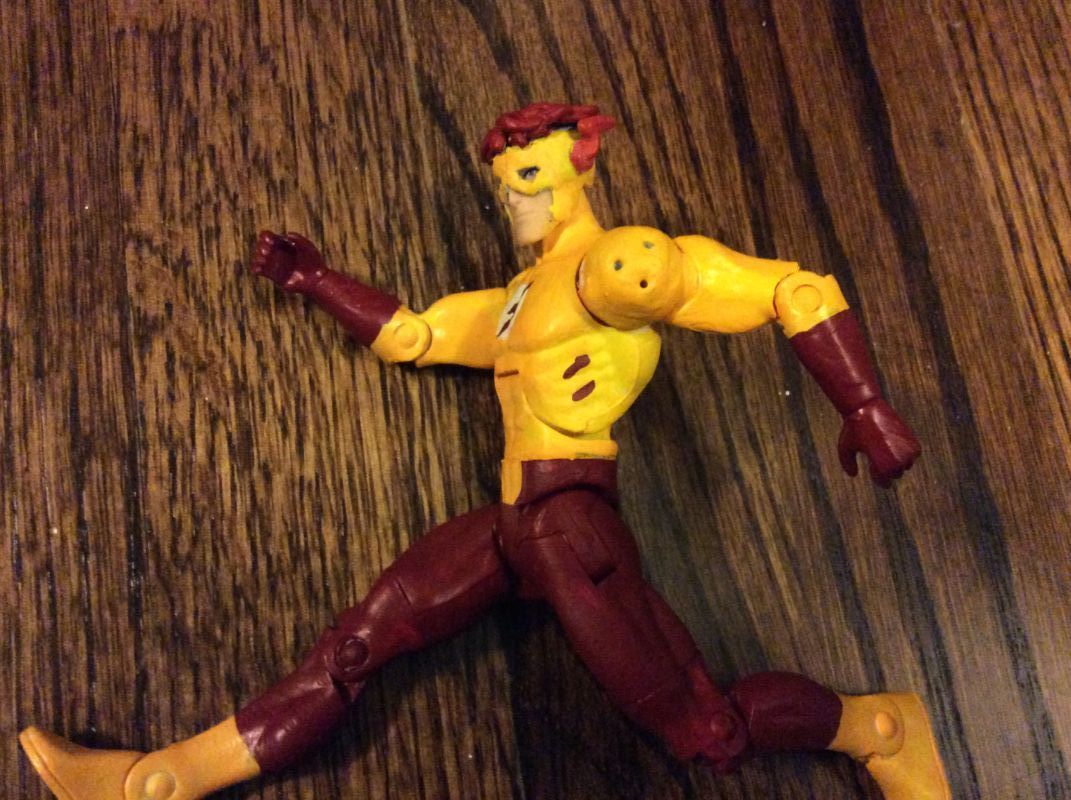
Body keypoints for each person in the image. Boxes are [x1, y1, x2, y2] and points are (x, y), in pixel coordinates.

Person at [19, 102, 948, 800]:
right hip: (514, 527)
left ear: (578, 171)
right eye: (505, 183)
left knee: (706, 731)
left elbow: (791, 290)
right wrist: (318, 280)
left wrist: (864, 406)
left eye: (531, 176)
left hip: (572, 525)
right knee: (358, 644)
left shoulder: (615, 266)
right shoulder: (518, 301)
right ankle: (158, 780)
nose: (514, 198)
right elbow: (416, 334)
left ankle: (877, 729)